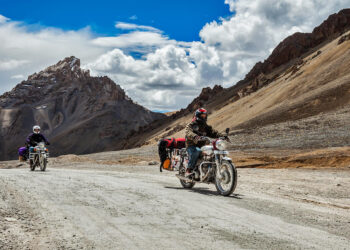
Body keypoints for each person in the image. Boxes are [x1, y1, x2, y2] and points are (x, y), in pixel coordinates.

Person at [185, 108, 224, 176]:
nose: (204, 117)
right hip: (192, 145)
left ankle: (211, 170)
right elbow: (188, 132)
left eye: (205, 115)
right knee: (196, 151)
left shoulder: (205, 126)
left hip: (202, 146)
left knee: (212, 151)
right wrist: (194, 136)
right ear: (198, 116)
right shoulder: (192, 124)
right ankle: (189, 170)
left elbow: (213, 132)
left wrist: (222, 136)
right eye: (202, 115)